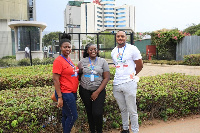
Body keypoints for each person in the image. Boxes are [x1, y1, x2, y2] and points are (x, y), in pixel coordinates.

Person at [111, 30, 143, 133]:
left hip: (129, 83)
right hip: (117, 84)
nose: (120, 38)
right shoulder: (113, 51)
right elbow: (118, 65)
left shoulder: (132, 49)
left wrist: (132, 75)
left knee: (132, 110)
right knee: (123, 109)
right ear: (116, 38)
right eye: (118, 36)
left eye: (122, 36)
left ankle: (135, 130)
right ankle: (125, 129)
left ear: (126, 38)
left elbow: (140, 65)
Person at [77, 43, 110, 133]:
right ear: (87, 51)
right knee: (90, 112)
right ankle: (92, 131)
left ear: (97, 50)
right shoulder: (82, 62)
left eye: (95, 49)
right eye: (91, 49)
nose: (93, 51)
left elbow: (106, 77)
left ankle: (99, 131)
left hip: (99, 90)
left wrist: (97, 92)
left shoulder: (103, 61)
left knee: (97, 113)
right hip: (85, 91)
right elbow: (78, 74)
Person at [52, 33, 79, 133]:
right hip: (65, 93)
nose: (67, 49)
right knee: (73, 116)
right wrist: (59, 97)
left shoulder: (68, 59)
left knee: (66, 115)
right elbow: (55, 79)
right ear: (60, 48)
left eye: (69, 47)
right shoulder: (58, 61)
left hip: (71, 92)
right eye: (65, 47)